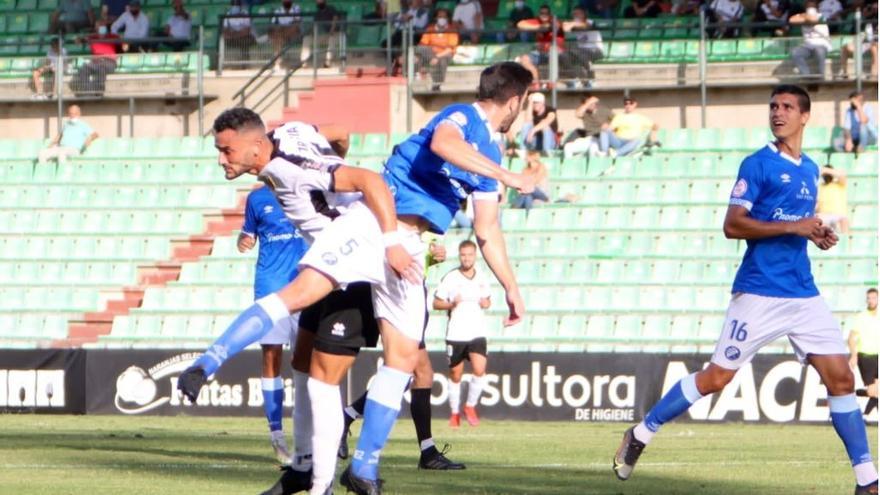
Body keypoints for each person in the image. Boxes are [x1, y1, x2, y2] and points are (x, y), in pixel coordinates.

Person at [613, 85, 879, 495]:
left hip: (803, 293)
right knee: (717, 377)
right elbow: (733, 225)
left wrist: (815, 233)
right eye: (773, 106)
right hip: (758, 292)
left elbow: (794, 222)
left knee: (842, 379)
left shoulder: (810, 169)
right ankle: (642, 431)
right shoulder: (756, 164)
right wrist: (795, 226)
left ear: (805, 116)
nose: (778, 112)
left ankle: (867, 482)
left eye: (787, 107)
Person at [177, 112, 419, 495]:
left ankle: (322, 484)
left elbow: (369, 179)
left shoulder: (290, 170)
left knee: (323, 381)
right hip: (328, 257)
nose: (221, 159)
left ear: (256, 146)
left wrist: (387, 239)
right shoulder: (292, 131)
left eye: (227, 150)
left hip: (353, 268)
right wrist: (334, 160)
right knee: (301, 361)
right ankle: (303, 467)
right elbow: (340, 130)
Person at [339, 62, 535, 494]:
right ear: (516, 100)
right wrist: (506, 176)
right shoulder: (462, 116)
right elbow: (445, 144)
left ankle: (360, 466)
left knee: (404, 360)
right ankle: (322, 458)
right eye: (525, 103)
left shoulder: (492, 154)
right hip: (373, 223)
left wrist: (511, 288)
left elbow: (487, 230)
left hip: (407, 246)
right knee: (310, 325)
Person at [335, 238, 466, 471]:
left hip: (412, 291)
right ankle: (423, 452)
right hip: (399, 294)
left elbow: (416, 255)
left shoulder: (419, 226)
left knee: (418, 373)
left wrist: (432, 256)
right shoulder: (401, 217)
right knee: (412, 371)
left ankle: (426, 450)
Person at [238, 184, 310, 467]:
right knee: (271, 357)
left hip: (305, 285)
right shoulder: (256, 197)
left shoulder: (305, 186)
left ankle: (307, 439)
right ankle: (277, 435)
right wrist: (243, 241)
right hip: (270, 287)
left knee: (306, 361)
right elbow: (247, 234)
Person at [434, 239, 492, 427]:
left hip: (477, 331)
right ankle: (454, 413)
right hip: (456, 333)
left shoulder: (482, 276)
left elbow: (487, 300)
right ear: (459, 256)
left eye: (470, 254)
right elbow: (436, 303)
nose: (467, 258)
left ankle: (470, 406)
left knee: (479, 369)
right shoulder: (451, 277)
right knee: (456, 374)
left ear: (475, 256)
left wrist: (486, 303)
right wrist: (451, 304)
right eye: (463, 255)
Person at [849, 288, 879, 417]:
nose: (871, 300)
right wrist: (853, 355)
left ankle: (865, 415)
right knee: (873, 392)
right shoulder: (861, 317)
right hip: (866, 356)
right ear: (866, 300)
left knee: (877, 391)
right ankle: (851, 393)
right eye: (869, 298)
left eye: (874, 298)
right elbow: (851, 338)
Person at [516, 5, 565, 81]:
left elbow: (557, 26)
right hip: (540, 54)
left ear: (550, 14)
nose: (544, 14)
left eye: (546, 13)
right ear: (539, 13)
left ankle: (552, 83)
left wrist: (547, 26)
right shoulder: (537, 21)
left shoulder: (555, 20)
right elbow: (520, 24)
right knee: (524, 59)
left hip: (556, 54)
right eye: (542, 13)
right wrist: (538, 27)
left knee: (553, 53)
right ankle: (536, 82)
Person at [72, 20, 119, 96]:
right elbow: (79, 42)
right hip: (95, 61)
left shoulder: (113, 36)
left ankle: (98, 92)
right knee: (84, 68)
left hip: (109, 62)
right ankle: (85, 91)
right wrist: (77, 39)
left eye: (102, 25)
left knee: (101, 69)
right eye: (99, 25)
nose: (101, 27)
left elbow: (125, 46)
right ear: (96, 28)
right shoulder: (92, 37)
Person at [416, 9, 459, 91]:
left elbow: (450, 49)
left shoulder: (452, 30)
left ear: (448, 18)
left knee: (442, 61)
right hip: (430, 53)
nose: (442, 19)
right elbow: (422, 44)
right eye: (440, 17)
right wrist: (431, 56)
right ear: (436, 18)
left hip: (445, 54)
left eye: (444, 17)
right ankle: (420, 71)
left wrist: (436, 57)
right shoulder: (430, 29)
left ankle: (437, 84)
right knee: (419, 50)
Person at [561, 6, 604, 85]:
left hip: (595, 50)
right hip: (581, 51)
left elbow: (585, 26)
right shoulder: (574, 25)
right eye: (574, 14)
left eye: (578, 13)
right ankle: (574, 78)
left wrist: (572, 23)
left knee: (579, 53)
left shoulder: (590, 22)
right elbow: (565, 29)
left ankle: (590, 78)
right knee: (564, 56)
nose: (576, 15)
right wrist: (570, 24)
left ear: (584, 14)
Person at [789, 0, 832, 79]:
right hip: (807, 45)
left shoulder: (822, 16)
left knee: (820, 51)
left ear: (817, 8)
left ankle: (821, 75)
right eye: (808, 7)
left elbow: (813, 20)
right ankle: (806, 75)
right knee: (795, 53)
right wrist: (804, 15)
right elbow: (791, 20)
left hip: (821, 43)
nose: (810, 9)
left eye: (812, 7)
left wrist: (804, 16)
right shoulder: (803, 16)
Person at [839, 2, 877, 80]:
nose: (872, 10)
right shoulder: (862, 19)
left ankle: (873, 75)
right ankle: (845, 74)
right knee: (845, 48)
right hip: (865, 41)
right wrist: (863, 16)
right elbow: (854, 31)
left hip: (876, 43)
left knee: (874, 47)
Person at [299, 0, 340, 69]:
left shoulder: (331, 8)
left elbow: (335, 18)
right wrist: (311, 33)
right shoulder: (318, 13)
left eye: (320, 0)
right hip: (324, 35)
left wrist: (332, 29)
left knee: (331, 39)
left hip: (336, 34)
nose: (318, 2)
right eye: (317, 1)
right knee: (307, 39)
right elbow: (314, 25)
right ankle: (304, 62)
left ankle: (328, 62)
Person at [269, 0, 302, 70]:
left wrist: (284, 28)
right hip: (281, 35)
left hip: (295, 34)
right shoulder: (278, 11)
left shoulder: (296, 8)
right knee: (276, 39)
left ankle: (278, 62)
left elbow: (297, 24)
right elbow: (273, 24)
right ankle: (278, 63)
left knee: (292, 28)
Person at [816, 165, 849, 233]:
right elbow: (817, 205)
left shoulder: (840, 184)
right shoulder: (819, 187)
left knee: (844, 221)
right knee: (819, 222)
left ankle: (845, 241)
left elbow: (842, 175)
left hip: (838, 215)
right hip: (824, 215)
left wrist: (826, 170)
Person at [223, 0, 255, 68]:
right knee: (227, 40)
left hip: (244, 38)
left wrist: (234, 34)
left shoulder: (245, 13)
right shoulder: (227, 15)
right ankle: (232, 66)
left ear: (240, 6)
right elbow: (225, 31)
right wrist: (236, 34)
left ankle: (245, 65)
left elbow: (247, 30)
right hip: (233, 39)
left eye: (237, 5)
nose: (235, 6)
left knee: (244, 42)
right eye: (234, 5)